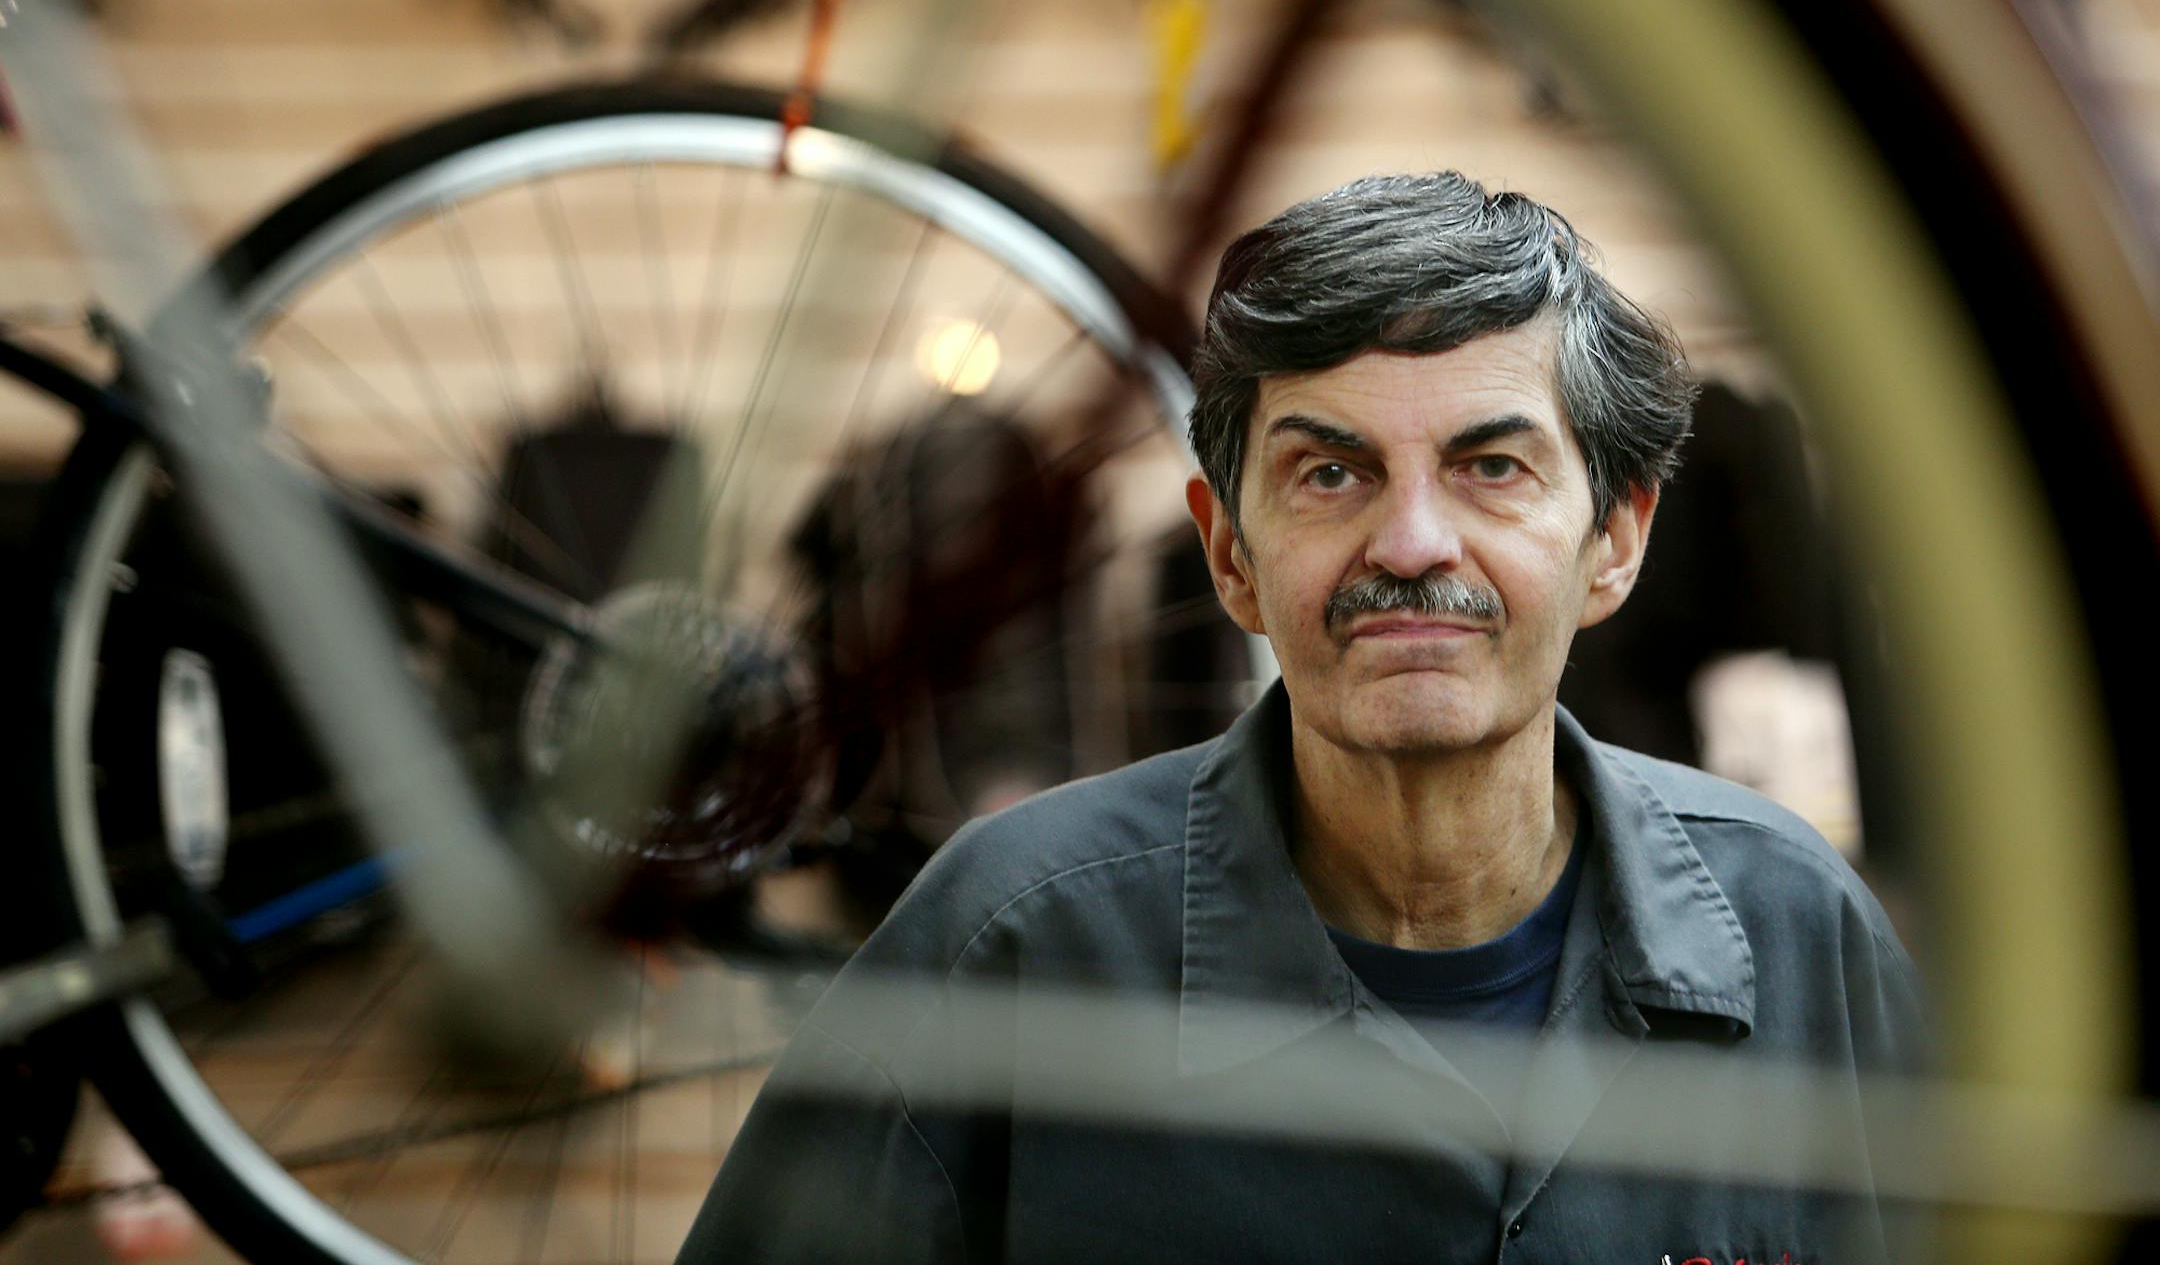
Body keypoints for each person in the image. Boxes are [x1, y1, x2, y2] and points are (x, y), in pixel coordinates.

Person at [675, 172, 1928, 1265]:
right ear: (1229, 553)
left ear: (1614, 540)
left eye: (1493, 465)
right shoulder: (1010, 940)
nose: (1413, 541)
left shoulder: (1797, 933)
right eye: (1330, 472)